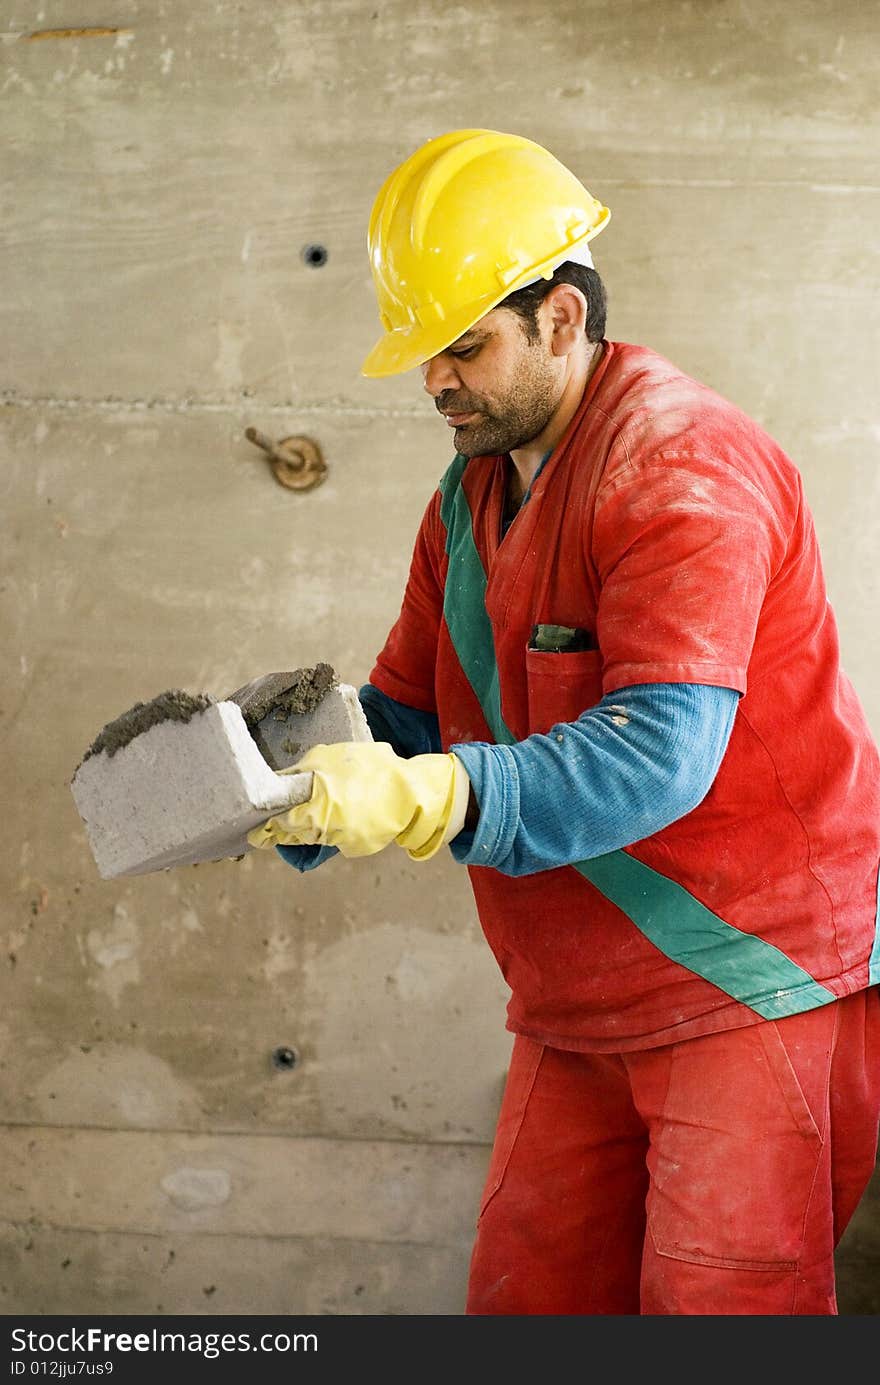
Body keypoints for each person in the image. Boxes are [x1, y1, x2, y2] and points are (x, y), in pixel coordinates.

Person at [247, 129, 880, 1315]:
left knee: (721, 1316)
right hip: (574, 993)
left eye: (465, 346)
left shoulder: (684, 464)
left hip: (746, 975)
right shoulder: (471, 488)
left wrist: (432, 799)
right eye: (424, 352)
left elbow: (659, 751)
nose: (436, 381)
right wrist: (281, 789)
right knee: (530, 1307)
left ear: (560, 317)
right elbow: (403, 715)